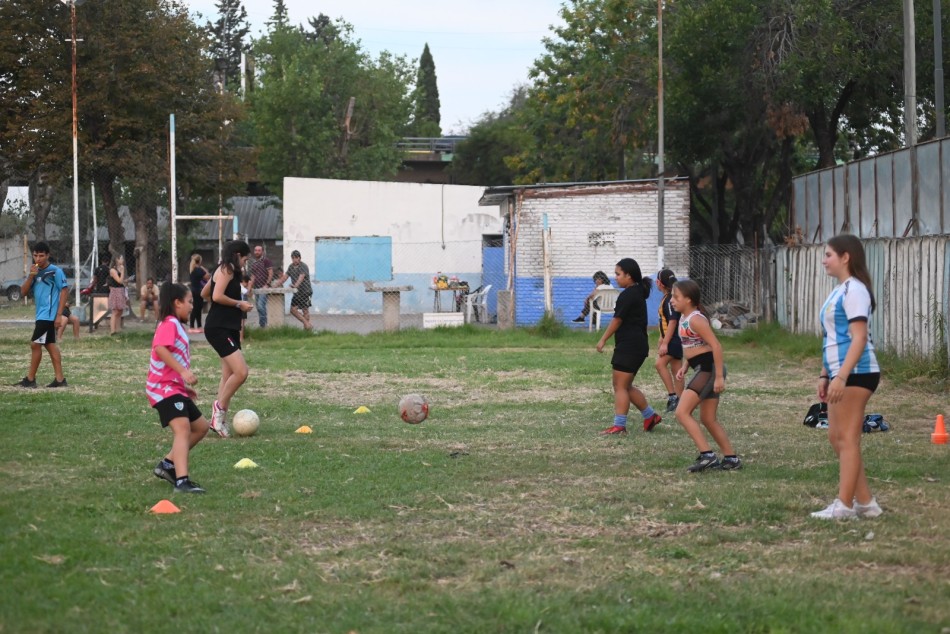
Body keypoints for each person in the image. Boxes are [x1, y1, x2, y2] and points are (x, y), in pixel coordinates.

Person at [811, 234, 882, 520]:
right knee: (836, 437)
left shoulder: (856, 290)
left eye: (828, 254)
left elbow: (859, 338)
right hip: (840, 373)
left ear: (845, 257)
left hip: (857, 373)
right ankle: (866, 503)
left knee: (848, 438)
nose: (824, 260)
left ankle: (844, 505)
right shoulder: (840, 289)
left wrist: (841, 376)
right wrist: (825, 374)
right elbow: (831, 337)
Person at [670, 279, 741, 472]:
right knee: (708, 419)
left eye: (676, 297)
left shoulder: (696, 318)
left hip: (708, 369)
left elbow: (716, 346)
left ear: (689, 299)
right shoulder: (685, 318)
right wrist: (685, 365)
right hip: (701, 367)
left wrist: (718, 377)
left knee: (682, 412)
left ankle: (707, 455)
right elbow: (694, 344)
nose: (672, 300)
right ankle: (731, 459)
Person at [146, 282, 209, 493]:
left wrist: (182, 385)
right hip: (162, 387)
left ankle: (167, 465)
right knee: (182, 429)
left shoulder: (176, 325)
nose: (192, 306)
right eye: (190, 302)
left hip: (173, 387)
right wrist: (182, 372)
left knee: (201, 427)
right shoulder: (170, 323)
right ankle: (182, 481)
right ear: (177, 302)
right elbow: (161, 349)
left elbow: (170, 355)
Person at [595, 258, 662, 434]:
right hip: (636, 345)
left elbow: (617, 320)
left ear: (629, 276)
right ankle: (650, 416)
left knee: (620, 386)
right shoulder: (637, 291)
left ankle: (619, 426)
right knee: (626, 385)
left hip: (629, 346)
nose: (615, 277)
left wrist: (602, 339)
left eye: (618, 274)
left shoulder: (628, 294)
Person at [202, 240, 253, 438]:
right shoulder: (227, 269)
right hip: (219, 327)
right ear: (238, 254)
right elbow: (215, 296)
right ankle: (219, 409)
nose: (245, 263)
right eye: (245, 258)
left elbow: (205, 292)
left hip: (229, 327)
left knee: (228, 375)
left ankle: (218, 421)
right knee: (241, 372)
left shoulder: (224, 270)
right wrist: (238, 304)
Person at [13, 242, 69, 388]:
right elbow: (23, 292)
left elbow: (64, 291)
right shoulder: (35, 271)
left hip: (48, 315)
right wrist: (31, 276)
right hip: (41, 315)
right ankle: (60, 379)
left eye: (41, 255)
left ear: (48, 255)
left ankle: (30, 380)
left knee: (35, 344)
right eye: (35, 255)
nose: (38, 258)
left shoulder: (55, 271)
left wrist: (58, 315)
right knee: (50, 345)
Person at [654, 269, 684, 412]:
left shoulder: (669, 300)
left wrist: (665, 343)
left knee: (659, 364)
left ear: (659, 283)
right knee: (677, 370)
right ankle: (681, 401)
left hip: (673, 339)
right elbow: (665, 322)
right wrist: (661, 338)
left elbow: (672, 322)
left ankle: (673, 397)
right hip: (674, 338)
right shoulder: (669, 297)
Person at [274, 250, 313, 331]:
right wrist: (276, 285)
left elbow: (301, 277)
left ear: (299, 258)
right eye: (293, 258)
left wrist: (295, 285)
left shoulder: (303, 266)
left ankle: (306, 330)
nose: (295, 260)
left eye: (296, 258)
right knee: (293, 310)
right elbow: (285, 277)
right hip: (297, 292)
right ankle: (307, 324)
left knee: (305, 310)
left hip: (306, 291)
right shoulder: (291, 267)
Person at [249, 244, 273, 328]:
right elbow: (253, 276)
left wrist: (267, 284)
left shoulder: (266, 261)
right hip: (256, 288)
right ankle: (262, 325)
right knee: (258, 308)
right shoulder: (254, 263)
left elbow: (270, 273)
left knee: (260, 305)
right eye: (255, 250)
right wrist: (250, 287)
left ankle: (263, 325)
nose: (257, 252)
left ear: (262, 252)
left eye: (259, 250)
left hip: (264, 287)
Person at [107, 254, 127, 335]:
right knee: (115, 311)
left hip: (121, 290)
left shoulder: (121, 268)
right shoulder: (113, 270)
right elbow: (119, 281)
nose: (122, 260)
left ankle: (118, 329)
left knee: (120, 310)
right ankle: (112, 330)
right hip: (115, 291)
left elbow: (121, 281)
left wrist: (125, 281)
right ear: (117, 260)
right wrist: (122, 271)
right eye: (121, 258)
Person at [188, 254, 210, 328]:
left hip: (194, 290)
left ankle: (198, 325)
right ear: (199, 261)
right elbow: (207, 276)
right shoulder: (198, 269)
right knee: (197, 308)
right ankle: (192, 326)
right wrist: (202, 267)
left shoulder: (192, 268)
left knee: (197, 307)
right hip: (198, 290)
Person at [239, 274, 251, 343]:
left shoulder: (239, 285)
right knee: (241, 323)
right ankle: (241, 338)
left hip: (241, 306)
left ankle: (241, 337)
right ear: (243, 281)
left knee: (242, 323)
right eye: (246, 283)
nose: (246, 285)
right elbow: (246, 292)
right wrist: (249, 286)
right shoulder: (240, 286)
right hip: (241, 306)